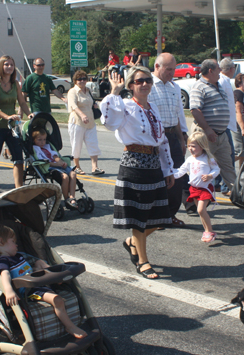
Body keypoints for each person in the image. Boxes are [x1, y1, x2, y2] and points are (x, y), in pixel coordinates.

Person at [99, 67, 175, 279]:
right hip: (134, 165)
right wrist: (114, 93)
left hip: (153, 164)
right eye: (140, 81)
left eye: (148, 80)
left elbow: (162, 141)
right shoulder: (124, 106)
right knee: (140, 218)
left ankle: (132, 242)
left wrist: (168, 168)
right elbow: (109, 122)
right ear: (131, 85)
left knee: (160, 218)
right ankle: (142, 261)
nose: (145, 84)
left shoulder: (153, 108)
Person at [0, 224, 87, 339]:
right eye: (13, 241)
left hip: (37, 284)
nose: (17, 244)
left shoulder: (18, 256)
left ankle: (55, 277)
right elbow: (5, 274)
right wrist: (9, 290)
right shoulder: (4, 261)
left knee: (40, 263)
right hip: (30, 291)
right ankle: (70, 326)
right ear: (1, 242)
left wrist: (39, 265)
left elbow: (29, 267)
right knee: (57, 299)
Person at [148, 53, 189, 227]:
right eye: (169, 69)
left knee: (177, 176)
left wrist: (181, 138)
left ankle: (170, 214)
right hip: (154, 138)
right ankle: (154, 216)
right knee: (157, 178)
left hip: (172, 135)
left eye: (174, 69)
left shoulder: (174, 88)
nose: (173, 72)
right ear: (157, 67)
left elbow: (177, 115)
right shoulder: (147, 86)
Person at [0, 55, 33, 188]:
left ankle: (19, 189)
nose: (9, 67)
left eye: (11, 65)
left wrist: (29, 114)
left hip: (11, 128)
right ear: (1, 66)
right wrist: (6, 116)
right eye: (6, 64)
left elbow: (22, 102)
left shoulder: (15, 84)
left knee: (18, 158)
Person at [190, 59, 236, 192]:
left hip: (221, 135)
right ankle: (199, 200)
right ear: (210, 71)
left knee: (228, 167)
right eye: (218, 69)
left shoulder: (217, 85)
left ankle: (239, 196)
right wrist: (208, 129)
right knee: (202, 167)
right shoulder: (199, 86)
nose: (220, 71)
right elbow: (195, 110)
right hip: (205, 134)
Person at [174, 132, 220, 243]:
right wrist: (169, 175)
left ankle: (210, 231)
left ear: (202, 145)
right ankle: (207, 231)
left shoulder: (208, 158)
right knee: (201, 212)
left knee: (200, 210)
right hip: (194, 189)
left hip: (205, 188)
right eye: (188, 145)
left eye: (193, 146)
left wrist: (210, 175)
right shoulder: (190, 159)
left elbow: (217, 169)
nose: (190, 148)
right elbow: (181, 171)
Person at [67, 70, 104, 176]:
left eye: (84, 79)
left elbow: (90, 103)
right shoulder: (72, 91)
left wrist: (95, 106)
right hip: (77, 121)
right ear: (75, 81)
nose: (82, 81)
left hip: (90, 122)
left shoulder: (88, 91)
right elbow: (74, 106)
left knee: (93, 144)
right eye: (79, 79)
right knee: (76, 144)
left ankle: (94, 167)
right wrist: (82, 115)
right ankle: (77, 166)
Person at [32, 128, 78, 208]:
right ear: (34, 140)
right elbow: (45, 162)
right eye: (39, 140)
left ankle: (72, 197)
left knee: (73, 174)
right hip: (48, 167)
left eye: (44, 139)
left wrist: (60, 162)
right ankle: (66, 198)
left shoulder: (47, 146)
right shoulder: (35, 149)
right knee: (65, 177)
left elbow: (55, 156)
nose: (42, 142)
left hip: (57, 165)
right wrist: (57, 165)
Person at [217, 58, 237, 196]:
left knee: (221, 155)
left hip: (227, 123)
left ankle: (218, 183)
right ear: (231, 69)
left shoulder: (225, 80)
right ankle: (226, 186)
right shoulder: (223, 81)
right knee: (227, 155)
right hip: (225, 124)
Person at [233, 73, 244, 169]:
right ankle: (222, 164)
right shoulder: (238, 93)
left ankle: (241, 176)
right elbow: (238, 112)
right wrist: (242, 128)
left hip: (240, 126)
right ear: (240, 82)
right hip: (237, 126)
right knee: (239, 151)